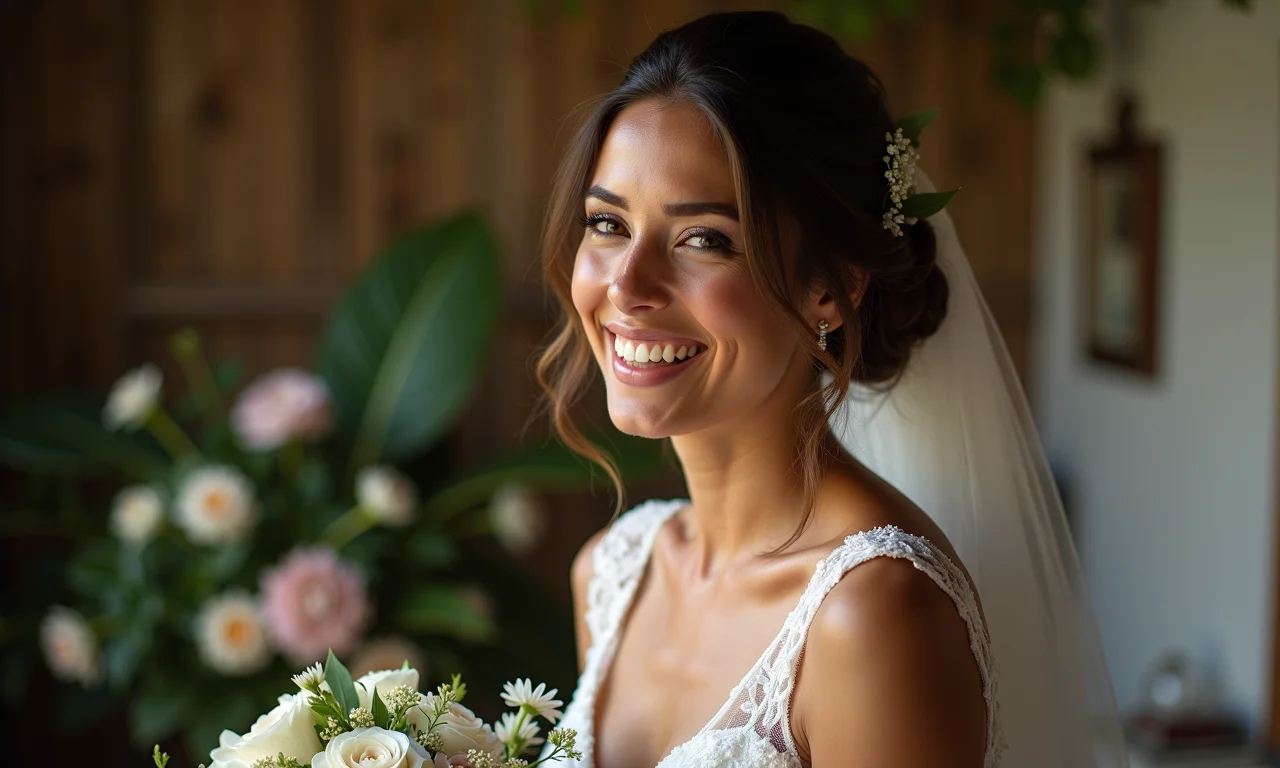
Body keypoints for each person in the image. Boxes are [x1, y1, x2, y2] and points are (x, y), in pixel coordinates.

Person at [534, 11, 1126, 767]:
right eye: (607, 224)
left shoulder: (873, 612)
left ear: (829, 286)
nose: (627, 285)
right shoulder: (612, 573)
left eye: (704, 239)